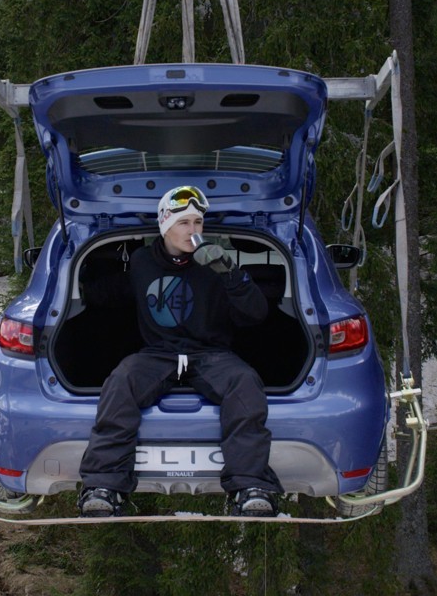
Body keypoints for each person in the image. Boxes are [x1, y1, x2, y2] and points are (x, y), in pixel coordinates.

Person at [77, 185, 283, 518]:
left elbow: (256, 313)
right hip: (158, 353)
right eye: (184, 223)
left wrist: (231, 274)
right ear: (165, 226)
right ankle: (103, 486)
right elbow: (113, 291)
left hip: (210, 354)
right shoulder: (142, 262)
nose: (192, 230)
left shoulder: (215, 263)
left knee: (245, 383)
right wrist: (79, 288)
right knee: (121, 381)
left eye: (198, 223)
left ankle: (250, 487)